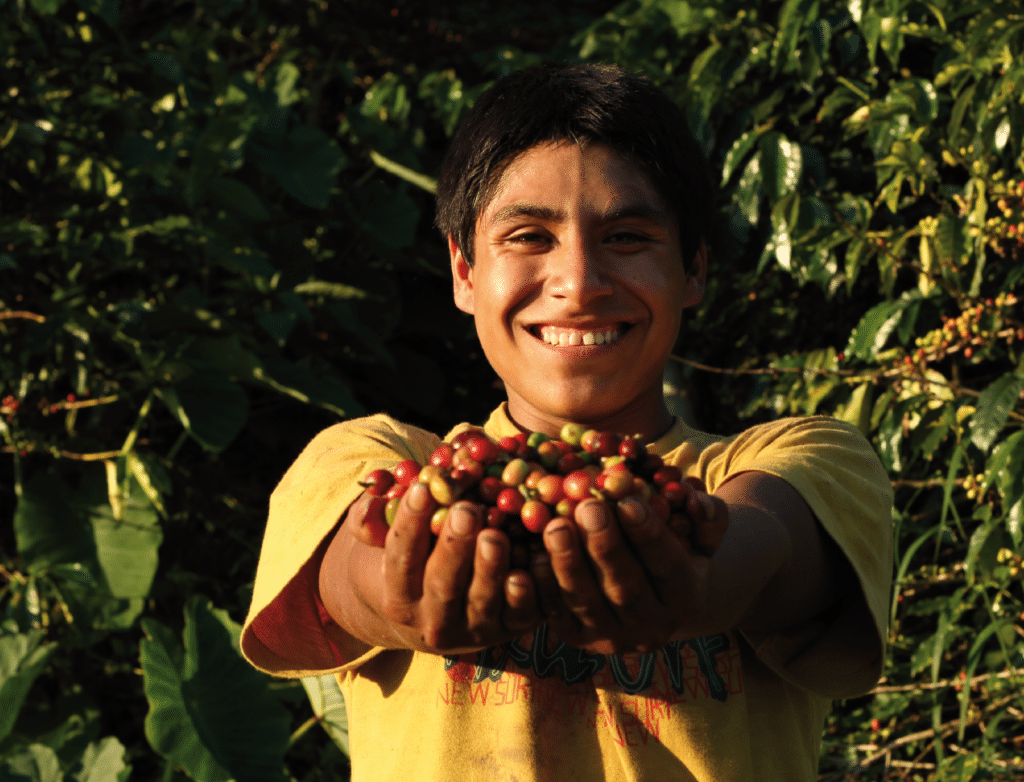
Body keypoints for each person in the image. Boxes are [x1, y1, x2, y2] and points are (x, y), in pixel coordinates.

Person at [241, 63, 893, 781]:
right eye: (527, 236)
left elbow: (762, 549)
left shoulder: (805, 460)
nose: (579, 284)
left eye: (627, 238)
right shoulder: (373, 459)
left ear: (695, 267)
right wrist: (406, 595)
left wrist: (691, 581)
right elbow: (354, 574)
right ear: (463, 272)